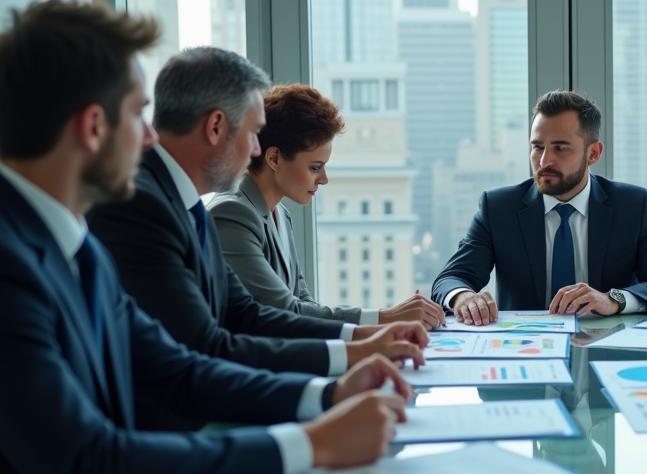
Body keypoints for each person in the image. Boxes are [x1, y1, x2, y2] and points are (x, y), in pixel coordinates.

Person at [0, 0, 413, 474]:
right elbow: (91, 462)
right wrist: (314, 444)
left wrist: (328, 395)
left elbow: (176, 370)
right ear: (93, 128)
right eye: (138, 114)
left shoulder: (75, 243)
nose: (151, 136)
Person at [87, 48, 428, 407]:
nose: (255, 150)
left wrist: (364, 343)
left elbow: (245, 314)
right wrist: (330, 394)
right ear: (215, 127)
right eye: (253, 133)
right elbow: (208, 347)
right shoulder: (144, 206)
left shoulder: (188, 206)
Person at [430, 90, 647, 325]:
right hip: (525, 349)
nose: (544, 160)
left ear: (593, 154)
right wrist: (463, 297)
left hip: (607, 350)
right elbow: (451, 279)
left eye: (561, 148)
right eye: (537, 147)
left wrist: (613, 300)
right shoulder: (498, 209)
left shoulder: (632, 206)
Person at [207, 83, 443, 329]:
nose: (324, 179)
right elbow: (285, 311)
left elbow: (303, 299)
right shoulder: (232, 214)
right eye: (315, 168)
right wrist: (384, 318)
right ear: (274, 158)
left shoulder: (280, 214)